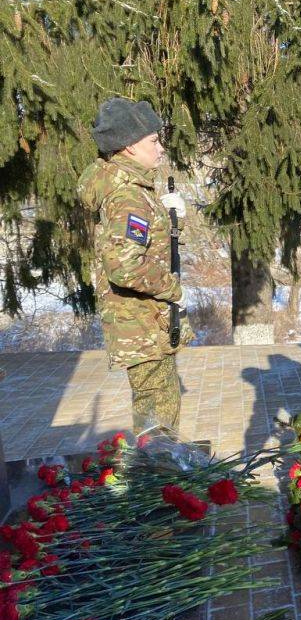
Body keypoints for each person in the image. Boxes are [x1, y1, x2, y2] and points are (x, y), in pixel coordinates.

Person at [77, 98, 192, 435]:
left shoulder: (132, 188)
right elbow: (124, 266)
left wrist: (171, 221)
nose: (160, 148)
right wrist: (173, 288)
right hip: (141, 325)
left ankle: (162, 475)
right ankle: (161, 482)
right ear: (129, 146)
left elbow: (142, 247)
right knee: (157, 416)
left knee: (156, 408)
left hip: (144, 322)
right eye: (153, 141)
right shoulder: (128, 195)